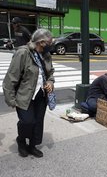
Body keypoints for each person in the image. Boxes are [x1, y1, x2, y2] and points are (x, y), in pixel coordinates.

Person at [2, 29, 55, 158]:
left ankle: (32, 145)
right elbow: (11, 78)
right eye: (50, 42)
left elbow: (50, 72)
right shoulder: (23, 53)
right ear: (41, 42)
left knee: (38, 122)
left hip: (41, 95)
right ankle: (21, 140)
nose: (52, 43)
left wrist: (50, 82)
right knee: (27, 122)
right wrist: (11, 100)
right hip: (24, 95)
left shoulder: (46, 54)